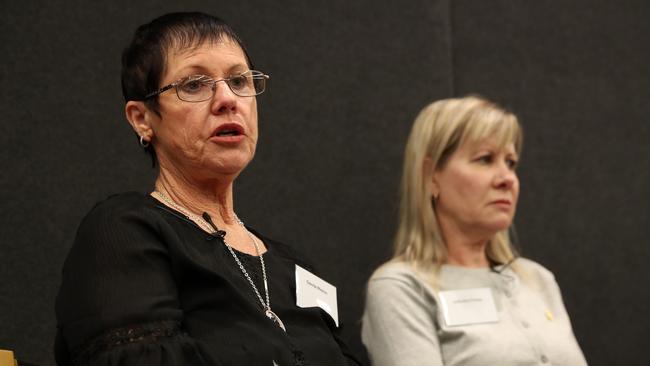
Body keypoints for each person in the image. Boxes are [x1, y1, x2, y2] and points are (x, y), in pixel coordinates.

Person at [55, 12, 360, 366]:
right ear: (143, 118)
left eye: (239, 81)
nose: (227, 99)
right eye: (194, 85)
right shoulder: (125, 232)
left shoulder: (293, 267)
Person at [361, 96, 587, 366]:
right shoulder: (401, 288)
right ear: (431, 176)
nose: (507, 179)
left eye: (511, 163)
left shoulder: (538, 280)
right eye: (485, 159)